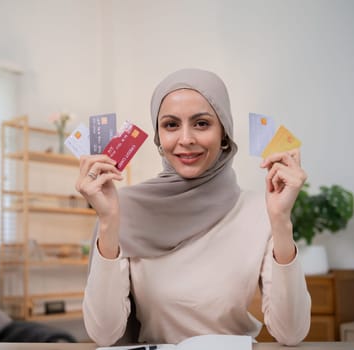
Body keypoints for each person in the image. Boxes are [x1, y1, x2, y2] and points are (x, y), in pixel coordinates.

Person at [75, 68, 311, 346]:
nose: (185, 139)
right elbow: (103, 334)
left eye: (201, 123)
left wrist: (281, 221)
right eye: (171, 125)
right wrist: (108, 222)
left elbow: (291, 333)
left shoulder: (261, 209)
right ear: (159, 138)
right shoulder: (121, 207)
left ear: (224, 133)